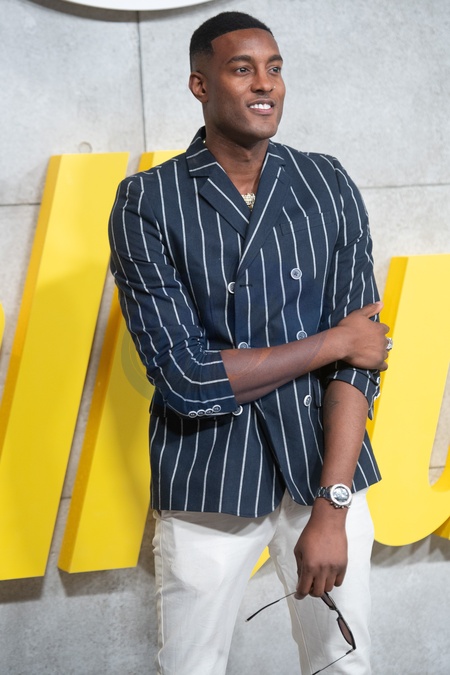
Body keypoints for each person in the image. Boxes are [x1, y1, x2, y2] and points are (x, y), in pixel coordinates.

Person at [109, 11, 391, 675]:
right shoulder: (149, 201)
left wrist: (333, 507)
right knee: (191, 668)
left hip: (323, 470)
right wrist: (333, 341)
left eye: (275, 68)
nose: (265, 84)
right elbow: (186, 377)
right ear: (200, 85)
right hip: (209, 480)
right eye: (242, 69)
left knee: (344, 665)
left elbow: (362, 362)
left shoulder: (326, 182)